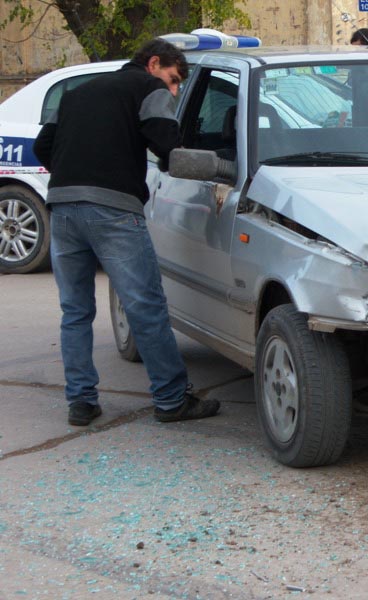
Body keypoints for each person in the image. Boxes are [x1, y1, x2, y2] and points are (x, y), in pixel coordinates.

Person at [33, 39, 221, 427]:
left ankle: (81, 402)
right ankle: (171, 400)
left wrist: (76, 172)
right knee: (146, 308)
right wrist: (214, 164)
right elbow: (168, 148)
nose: (172, 90)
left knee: (75, 310)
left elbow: (42, 146)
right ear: (154, 64)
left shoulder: (74, 93)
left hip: (64, 207)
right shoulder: (147, 88)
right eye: (172, 79)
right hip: (114, 211)